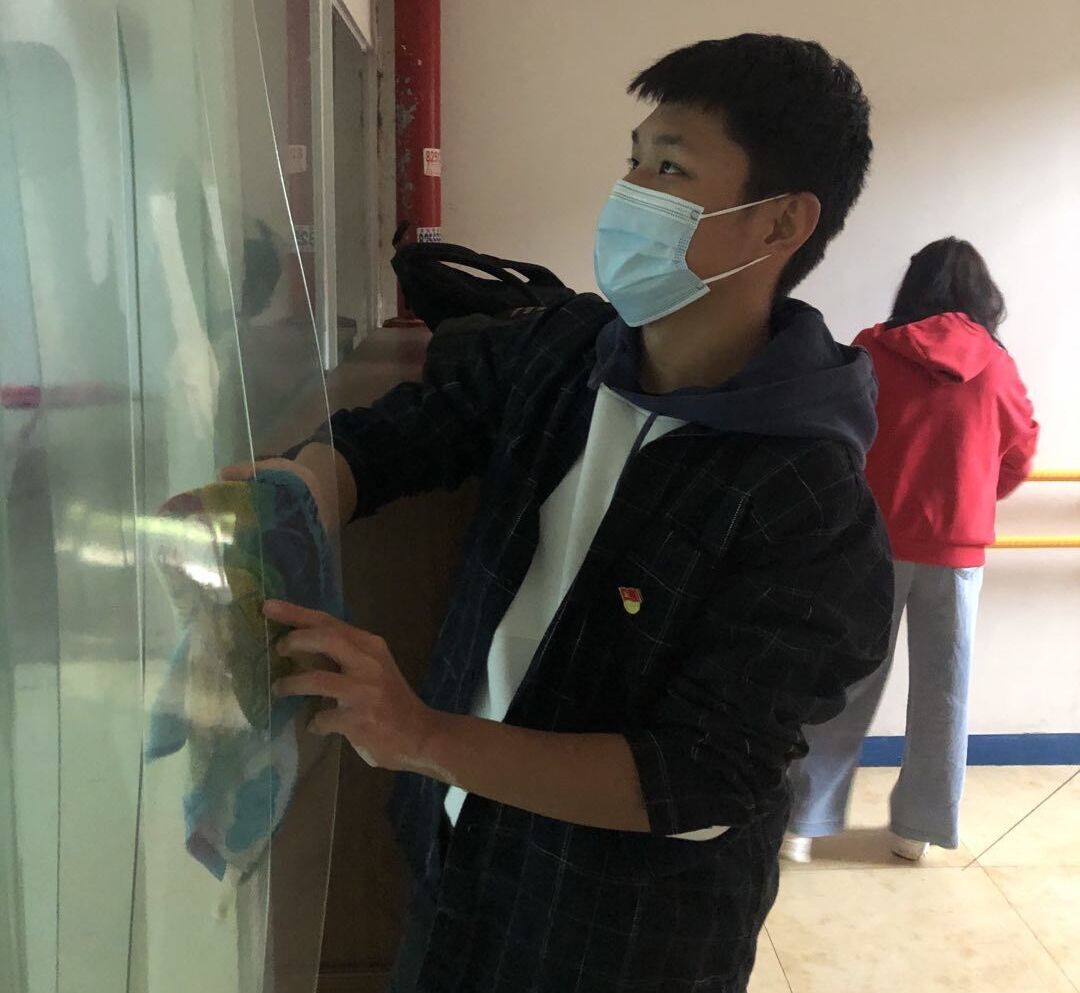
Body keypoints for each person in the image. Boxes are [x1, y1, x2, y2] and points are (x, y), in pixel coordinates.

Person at [227, 34, 892, 993]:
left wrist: (420, 735)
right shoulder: (570, 349)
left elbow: (700, 776)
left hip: (621, 938)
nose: (629, 191)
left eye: (670, 168)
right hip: (457, 864)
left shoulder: (807, 501)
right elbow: (417, 429)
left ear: (778, 223)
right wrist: (299, 493)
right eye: (634, 158)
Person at [784, 237, 1039, 864]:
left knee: (843, 681)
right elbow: (1020, 452)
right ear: (982, 295)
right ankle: (916, 831)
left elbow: (836, 436)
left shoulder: (872, 350)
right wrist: (971, 498)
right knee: (944, 694)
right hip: (956, 552)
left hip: (870, 542)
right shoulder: (996, 365)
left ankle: (802, 825)